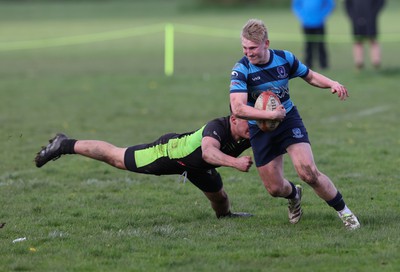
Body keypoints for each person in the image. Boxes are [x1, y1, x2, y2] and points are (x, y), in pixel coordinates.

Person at [229, 18, 360, 230]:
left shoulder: (284, 59)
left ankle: (344, 212)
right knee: (274, 188)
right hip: (260, 128)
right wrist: (270, 115)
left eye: (252, 48)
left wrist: (332, 84)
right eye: (244, 48)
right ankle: (294, 194)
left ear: (266, 44)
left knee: (308, 171)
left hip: (288, 119)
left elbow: (310, 76)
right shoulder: (241, 70)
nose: (248, 53)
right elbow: (238, 108)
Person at [35, 115, 254, 219]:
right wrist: (236, 162)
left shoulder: (249, 133)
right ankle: (64, 145)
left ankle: (225, 217)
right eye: (248, 121)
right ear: (234, 118)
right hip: (169, 153)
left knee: (221, 199)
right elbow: (209, 152)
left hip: (198, 166)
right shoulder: (218, 127)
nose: (252, 126)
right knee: (116, 157)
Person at [292, 0, 335, 69]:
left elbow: (329, 5)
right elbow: (296, 6)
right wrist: (302, 16)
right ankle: (308, 64)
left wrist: (322, 15)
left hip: (319, 23)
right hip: (306, 23)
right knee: (308, 45)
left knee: (321, 44)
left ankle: (323, 64)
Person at [344, 0, 386, 70]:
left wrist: (373, 14)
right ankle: (359, 64)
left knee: (373, 40)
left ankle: (376, 63)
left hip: (371, 19)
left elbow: (380, 3)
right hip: (356, 19)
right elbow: (347, 4)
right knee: (358, 41)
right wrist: (352, 16)